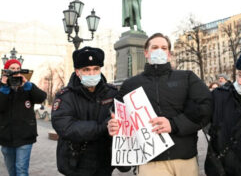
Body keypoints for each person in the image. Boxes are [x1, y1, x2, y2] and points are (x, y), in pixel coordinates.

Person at [108, 33, 212, 176]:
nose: (159, 50)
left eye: (164, 48)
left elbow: (205, 107)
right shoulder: (130, 84)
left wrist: (174, 124)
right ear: (146, 53)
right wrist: (113, 124)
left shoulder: (187, 77)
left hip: (185, 159)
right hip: (150, 162)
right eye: (155, 47)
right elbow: (117, 115)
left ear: (169, 54)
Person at [51, 47, 129, 176]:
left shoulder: (112, 93)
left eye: (96, 69)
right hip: (76, 164)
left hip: (104, 163)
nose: (92, 73)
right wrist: (102, 127)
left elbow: (123, 121)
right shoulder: (65, 96)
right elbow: (65, 126)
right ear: (77, 72)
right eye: (86, 70)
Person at [0, 59, 47, 176]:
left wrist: (28, 85)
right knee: (12, 170)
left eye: (17, 69)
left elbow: (42, 97)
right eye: (12, 68)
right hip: (6, 136)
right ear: (6, 71)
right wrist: (4, 88)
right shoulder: (1, 87)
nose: (15, 71)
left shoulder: (27, 86)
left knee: (21, 170)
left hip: (25, 135)